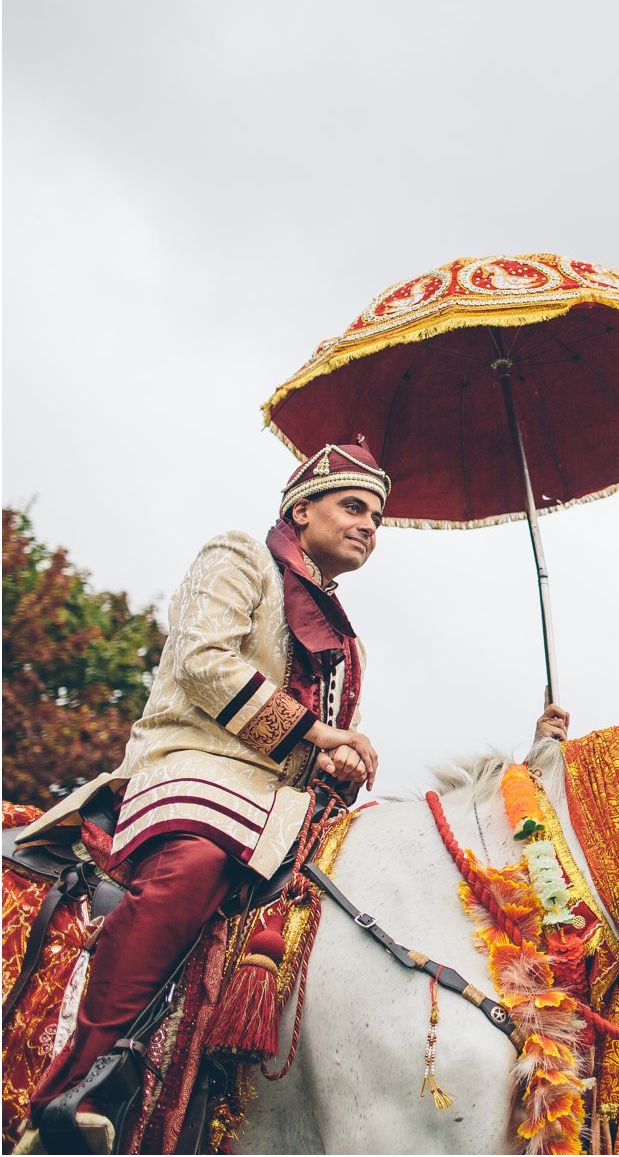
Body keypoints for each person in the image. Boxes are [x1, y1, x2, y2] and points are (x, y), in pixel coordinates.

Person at [15, 442, 565, 1155]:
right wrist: (318, 733)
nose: (370, 525)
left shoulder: (347, 641)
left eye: (378, 516)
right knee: (191, 870)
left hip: (287, 819)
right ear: (300, 510)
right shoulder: (237, 556)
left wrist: (535, 748)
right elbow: (204, 662)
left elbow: (322, 748)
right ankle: (76, 1095)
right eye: (354, 507)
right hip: (195, 777)